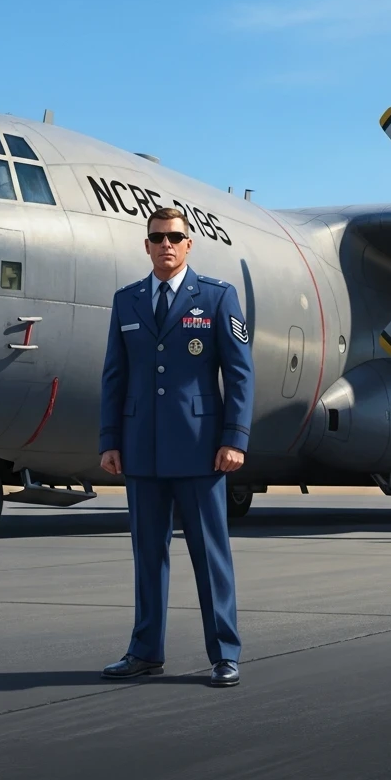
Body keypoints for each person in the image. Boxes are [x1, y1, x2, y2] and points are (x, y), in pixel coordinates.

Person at [98, 206, 255, 688]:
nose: (166, 244)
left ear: (189, 244)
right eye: (157, 237)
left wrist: (235, 439)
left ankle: (225, 653)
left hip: (200, 449)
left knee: (211, 555)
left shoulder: (216, 297)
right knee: (148, 554)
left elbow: (241, 373)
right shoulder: (126, 302)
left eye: (174, 237)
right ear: (146, 245)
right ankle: (145, 651)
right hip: (142, 449)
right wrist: (110, 441)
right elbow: (114, 377)